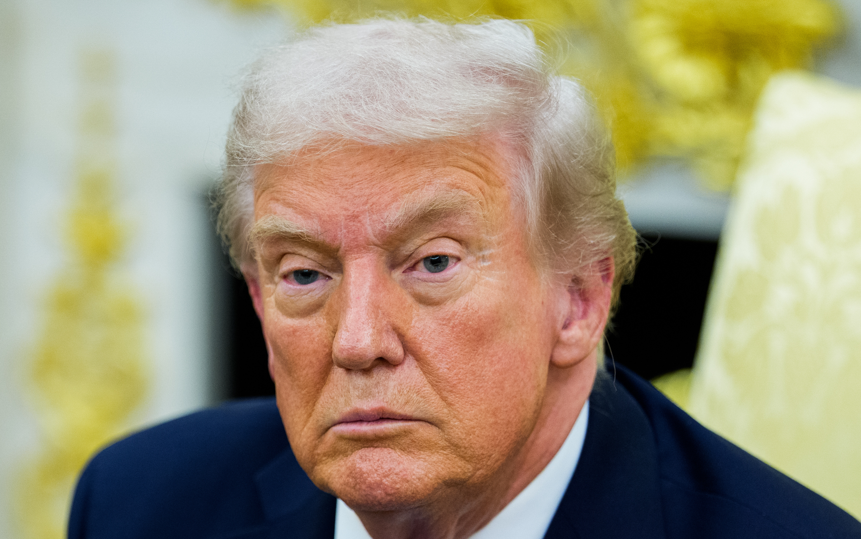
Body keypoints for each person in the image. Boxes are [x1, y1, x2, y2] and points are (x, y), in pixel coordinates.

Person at [67, 18, 861, 539]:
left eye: (434, 263)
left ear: (579, 299)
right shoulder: (140, 503)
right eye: (305, 273)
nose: (358, 339)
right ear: (256, 299)